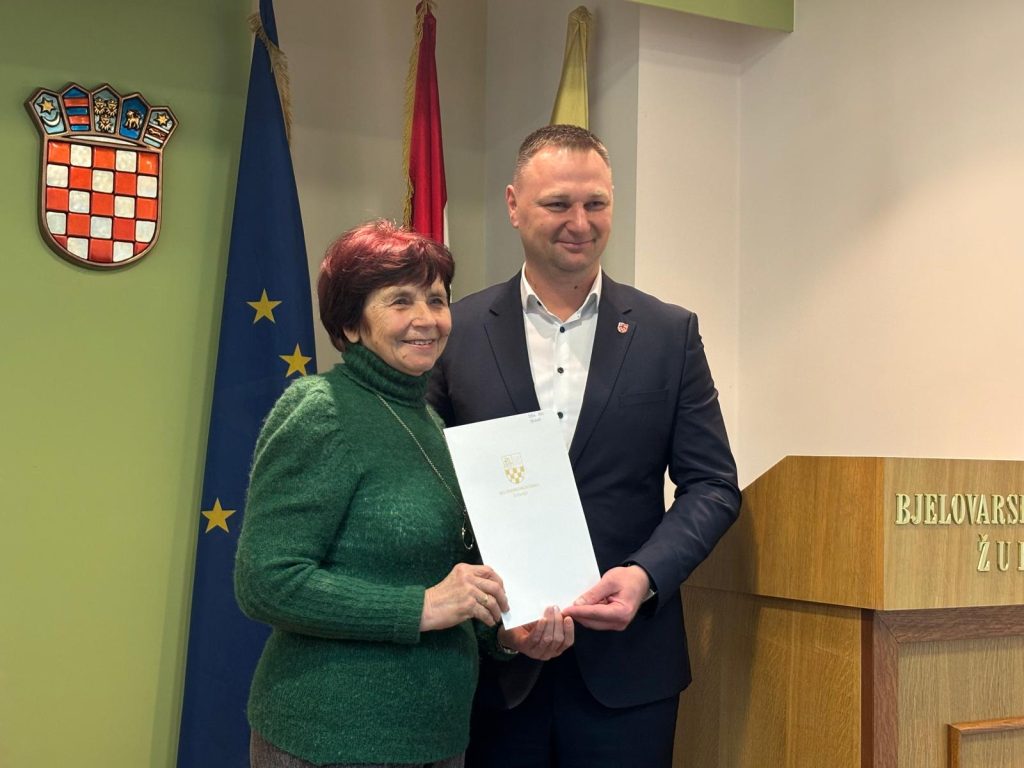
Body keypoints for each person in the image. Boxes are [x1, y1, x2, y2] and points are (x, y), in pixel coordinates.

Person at [427, 125, 741, 768]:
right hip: (493, 671)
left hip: (629, 673)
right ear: (514, 205)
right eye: (558, 204)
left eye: (596, 203)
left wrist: (645, 576)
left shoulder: (669, 333)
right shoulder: (454, 333)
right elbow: (425, 485)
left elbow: (712, 485)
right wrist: (488, 609)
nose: (580, 222)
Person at [234, 220, 573, 768]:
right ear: (350, 324)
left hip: (437, 736)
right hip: (328, 739)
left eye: (436, 300)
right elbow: (265, 582)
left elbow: (450, 584)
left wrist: (509, 636)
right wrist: (418, 607)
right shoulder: (320, 409)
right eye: (400, 301)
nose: (426, 318)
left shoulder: (434, 426)